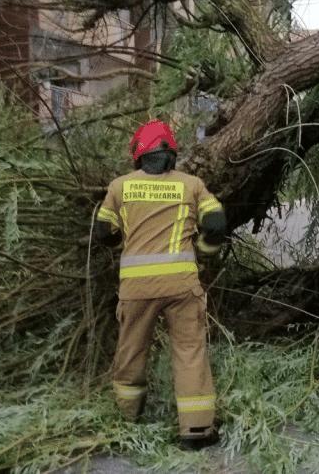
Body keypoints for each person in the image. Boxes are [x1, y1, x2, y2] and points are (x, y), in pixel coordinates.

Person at [93, 120, 226, 451]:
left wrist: (122, 243)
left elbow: (102, 232)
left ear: (138, 153)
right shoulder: (191, 185)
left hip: (136, 289)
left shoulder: (120, 187)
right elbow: (217, 223)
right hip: (182, 287)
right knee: (190, 352)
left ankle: (126, 420)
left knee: (132, 350)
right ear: (172, 153)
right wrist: (204, 250)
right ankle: (196, 431)